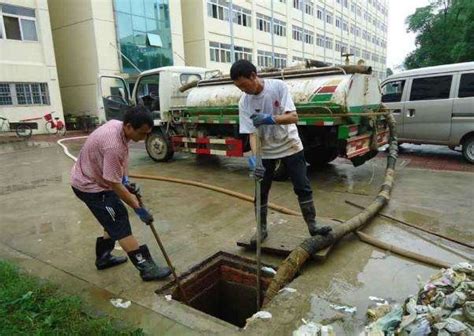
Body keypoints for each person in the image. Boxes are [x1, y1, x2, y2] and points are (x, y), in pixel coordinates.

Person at [230, 59, 332, 244]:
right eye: (239, 88)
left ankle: (312, 225)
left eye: (244, 85)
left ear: (254, 76)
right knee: (261, 192)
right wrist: (256, 160)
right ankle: (261, 230)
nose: (243, 90)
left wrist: (269, 118)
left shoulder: (278, 87)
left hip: (290, 145)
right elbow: (252, 134)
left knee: (302, 187)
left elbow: (293, 117)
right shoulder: (244, 102)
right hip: (266, 151)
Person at [71, 105, 171, 281]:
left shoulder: (118, 127)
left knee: (111, 218)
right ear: (129, 126)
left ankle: (104, 258)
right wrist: (138, 208)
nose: (144, 138)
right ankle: (146, 268)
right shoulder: (113, 145)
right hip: (90, 186)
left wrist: (126, 180)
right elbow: (112, 182)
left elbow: (120, 163)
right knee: (118, 219)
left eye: (147, 133)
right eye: (141, 133)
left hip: (97, 179)